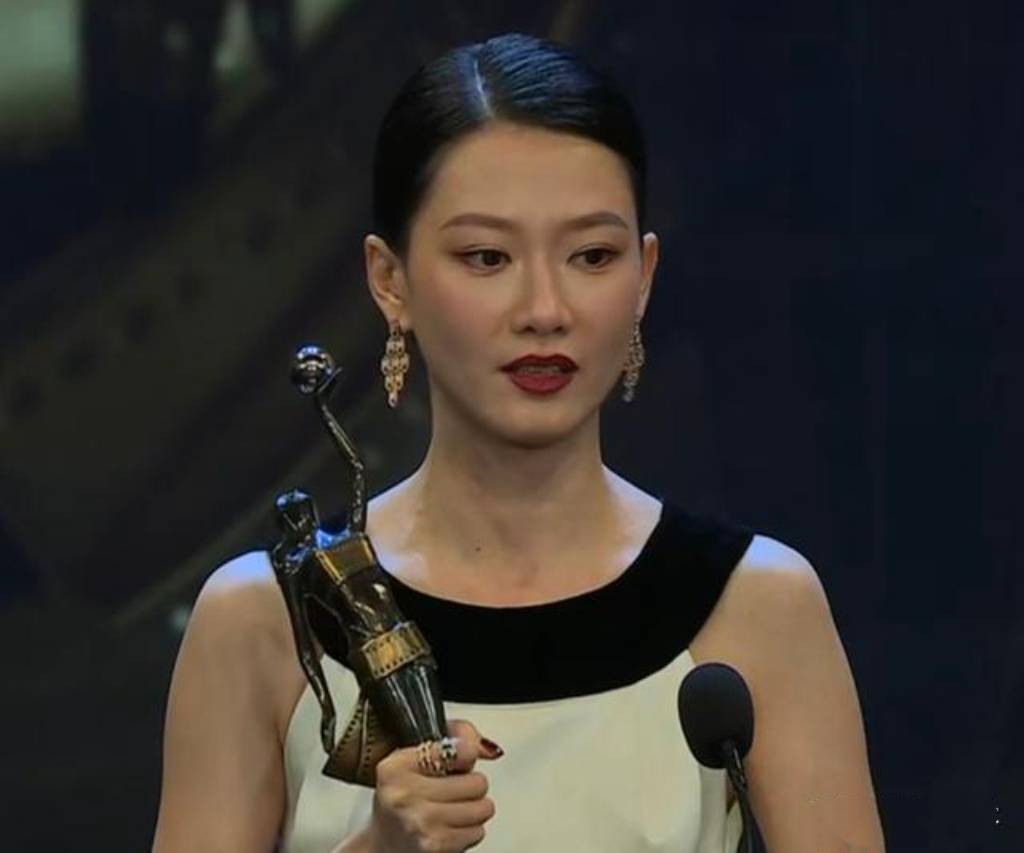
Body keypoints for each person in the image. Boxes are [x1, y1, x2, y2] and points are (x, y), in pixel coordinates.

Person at [153, 33, 886, 852]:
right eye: (487, 256)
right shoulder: (267, 620)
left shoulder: (757, 606)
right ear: (390, 280)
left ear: (644, 276)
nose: (544, 308)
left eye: (592, 255)